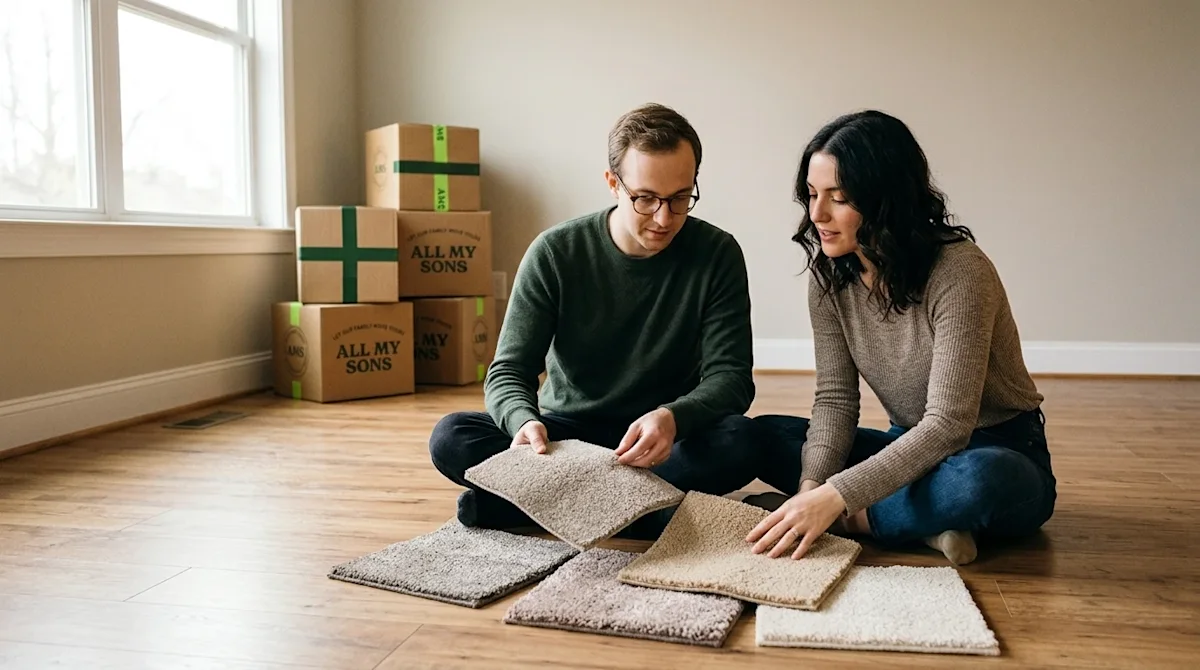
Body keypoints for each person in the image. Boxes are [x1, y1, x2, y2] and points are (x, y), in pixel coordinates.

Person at [428, 103, 760, 536]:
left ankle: (532, 508)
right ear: (612, 184)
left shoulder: (718, 254)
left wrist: (673, 416)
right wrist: (524, 423)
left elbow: (732, 377)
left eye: (680, 198)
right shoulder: (555, 253)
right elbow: (509, 370)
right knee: (452, 436)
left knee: (740, 440)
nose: (664, 218)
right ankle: (646, 514)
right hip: (566, 439)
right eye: (645, 199)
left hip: (662, 440)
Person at [746, 110, 1057, 565]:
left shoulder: (962, 272)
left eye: (839, 197)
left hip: (997, 449)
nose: (818, 214)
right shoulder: (830, 278)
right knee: (769, 435)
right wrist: (812, 487)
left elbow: (949, 425)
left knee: (983, 480)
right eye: (812, 195)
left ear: (885, 198)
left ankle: (855, 522)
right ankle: (919, 524)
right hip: (908, 448)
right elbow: (835, 400)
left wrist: (834, 502)